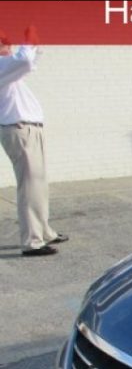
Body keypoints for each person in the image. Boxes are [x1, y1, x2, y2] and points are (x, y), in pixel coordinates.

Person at [0, 26, 66, 257]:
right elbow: (24, 61)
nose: (7, 47)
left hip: (27, 129)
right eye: (2, 43)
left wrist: (35, 47)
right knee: (30, 187)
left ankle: (44, 231)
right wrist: (28, 43)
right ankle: (32, 242)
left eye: (7, 42)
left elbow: (29, 64)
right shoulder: (1, 65)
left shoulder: (7, 67)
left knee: (38, 184)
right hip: (19, 129)